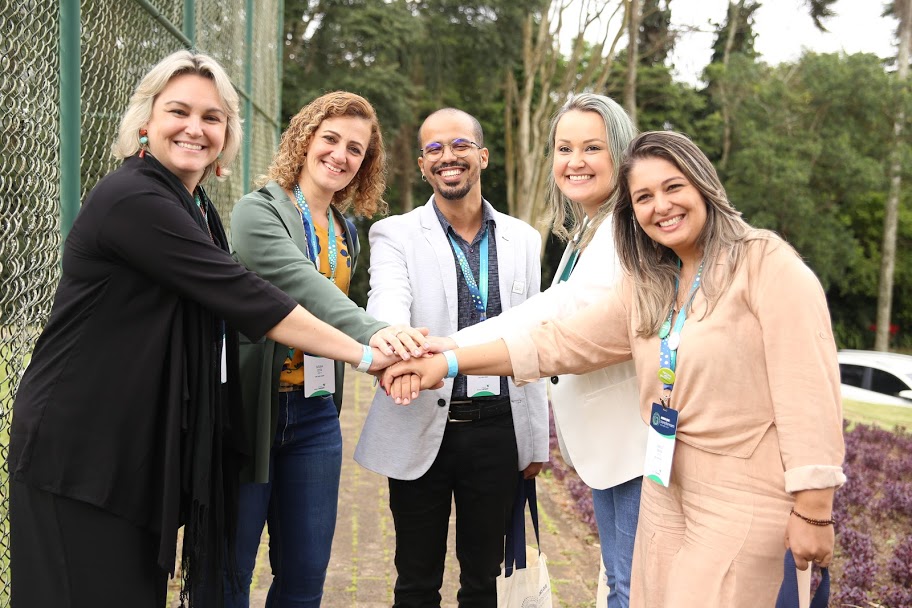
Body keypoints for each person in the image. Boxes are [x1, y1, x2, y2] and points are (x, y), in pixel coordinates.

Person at [383, 130, 846, 608]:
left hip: (744, 496)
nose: (660, 206)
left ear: (704, 184)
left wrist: (814, 508)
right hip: (665, 488)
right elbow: (556, 343)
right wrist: (449, 360)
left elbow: (808, 391)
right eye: (643, 197)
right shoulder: (650, 281)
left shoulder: (764, 263)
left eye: (673, 188)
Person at [7, 50, 398, 608]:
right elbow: (250, 296)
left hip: (135, 447)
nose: (195, 128)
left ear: (228, 133)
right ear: (146, 121)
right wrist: (367, 354)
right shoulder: (135, 198)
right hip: (81, 450)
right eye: (178, 111)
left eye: (212, 117)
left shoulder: (194, 206)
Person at [210, 91, 429, 607]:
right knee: (229, 574)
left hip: (314, 418)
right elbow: (304, 286)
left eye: (356, 148)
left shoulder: (345, 229)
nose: (340, 155)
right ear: (304, 140)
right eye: (330, 139)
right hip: (248, 413)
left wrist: (388, 345)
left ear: (365, 163)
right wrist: (376, 336)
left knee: (306, 578)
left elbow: (334, 307)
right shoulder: (255, 212)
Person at [440, 93, 643, 608]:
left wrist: (450, 352)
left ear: (621, 153)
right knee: (622, 580)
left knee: (632, 585)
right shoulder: (589, 231)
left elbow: (565, 318)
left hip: (636, 444)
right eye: (564, 147)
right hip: (613, 450)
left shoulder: (625, 229)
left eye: (591, 148)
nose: (574, 162)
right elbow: (554, 302)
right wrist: (451, 343)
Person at [353, 107, 549, 608]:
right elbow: (387, 300)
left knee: (484, 583)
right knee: (416, 582)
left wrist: (535, 439)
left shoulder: (523, 240)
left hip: (497, 427)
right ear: (422, 165)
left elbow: (533, 338)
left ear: (481, 155)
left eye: (460, 145)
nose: (448, 157)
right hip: (420, 418)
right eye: (435, 149)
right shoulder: (394, 234)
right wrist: (393, 341)